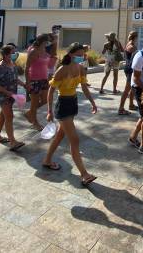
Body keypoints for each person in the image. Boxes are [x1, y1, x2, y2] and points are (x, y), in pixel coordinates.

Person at [42, 43, 98, 186]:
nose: (81, 57)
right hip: (63, 106)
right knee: (75, 140)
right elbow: (51, 91)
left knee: (60, 135)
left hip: (73, 103)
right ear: (71, 54)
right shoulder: (62, 70)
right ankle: (84, 174)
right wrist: (49, 111)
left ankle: (47, 160)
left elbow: (84, 87)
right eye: (79, 55)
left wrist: (93, 102)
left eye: (83, 54)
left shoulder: (80, 68)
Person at [0, 45, 27, 152]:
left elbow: (15, 79)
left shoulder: (12, 64)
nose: (15, 54)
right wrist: (7, 92)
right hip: (4, 96)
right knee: (9, 116)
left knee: (4, 115)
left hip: (11, 94)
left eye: (15, 52)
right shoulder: (1, 67)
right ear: (6, 55)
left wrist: (24, 84)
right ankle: (12, 142)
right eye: (13, 52)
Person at [25, 33, 52, 131]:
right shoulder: (33, 51)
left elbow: (46, 64)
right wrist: (27, 83)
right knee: (34, 103)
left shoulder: (44, 50)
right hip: (34, 80)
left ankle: (29, 113)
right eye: (47, 41)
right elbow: (27, 68)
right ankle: (35, 122)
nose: (49, 42)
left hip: (44, 79)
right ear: (43, 41)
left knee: (45, 101)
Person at [118, 31, 138, 115]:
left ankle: (131, 104)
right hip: (130, 68)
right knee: (127, 90)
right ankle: (121, 109)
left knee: (132, 87)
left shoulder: (129, 43)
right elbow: (135, 58)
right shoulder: (132, 46)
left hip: (129, 67)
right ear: (136, 37)